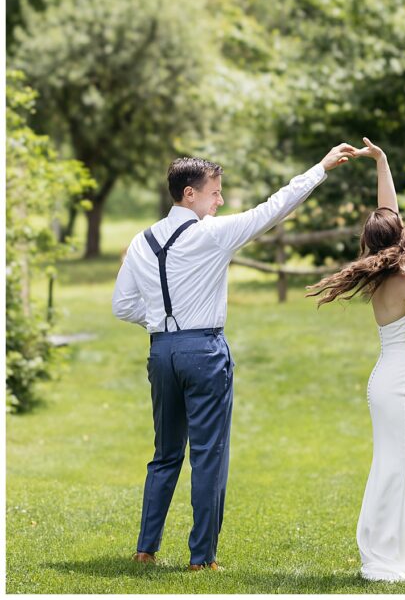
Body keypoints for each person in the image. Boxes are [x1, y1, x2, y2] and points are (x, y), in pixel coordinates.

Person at [112, 142, 356, 570]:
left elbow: (122, 306)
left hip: (161, 351)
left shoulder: (140, 240)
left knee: (165, 454)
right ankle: (201, 559)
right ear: (190, 194)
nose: (220, 200)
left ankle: (145, 550)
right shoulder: (213, 234)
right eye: (215, 192)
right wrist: (320, 168)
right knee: (208, 454)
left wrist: (162, 323)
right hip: (203, 351)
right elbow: (274, 208)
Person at [307, 138, 405, 582]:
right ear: (400, 238)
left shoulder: (376, 273)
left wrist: (383, 163)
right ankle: (388, 557)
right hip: (400, 389)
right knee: (398, 472)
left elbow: (387, 216)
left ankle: (397, 549)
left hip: (386, 385)